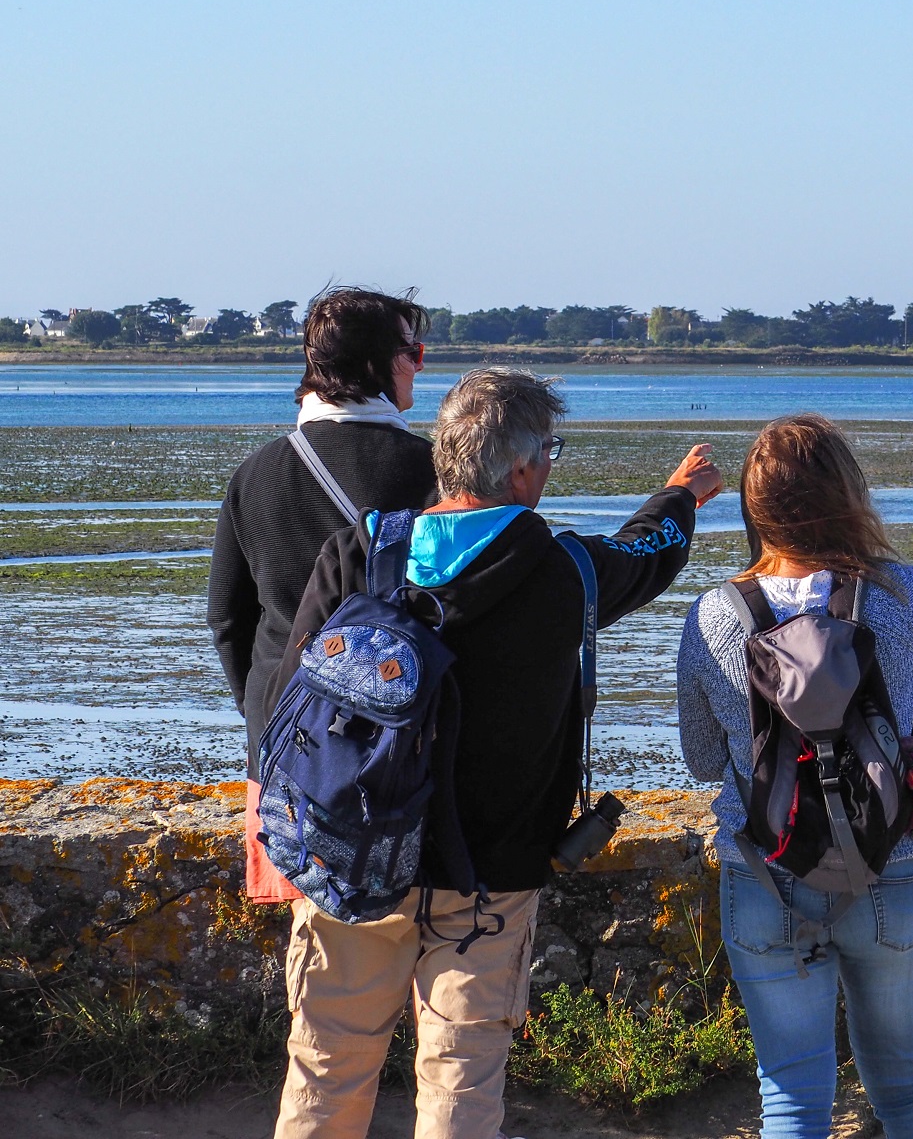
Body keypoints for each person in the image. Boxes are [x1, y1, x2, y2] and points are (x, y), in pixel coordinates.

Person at [262, 366, 723, 1139]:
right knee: (461, 1077)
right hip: (490, 877)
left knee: (325, 1064)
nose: (551, 463)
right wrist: (681, 494)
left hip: (352, 855)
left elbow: (289, 694)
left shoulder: (363, 548)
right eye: (551, 449)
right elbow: (646, 553)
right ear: (520, 467)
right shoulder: (564, 571)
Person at [676, 413, 913, 1139]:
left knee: (792, 1099)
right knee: (906, 1087)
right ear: (849, 495)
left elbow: (702, 759)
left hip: (764, 873)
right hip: (896, 864)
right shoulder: (893, 593)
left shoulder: (712, 617)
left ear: (752, 510)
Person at [208, 286, 438, 903]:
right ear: (378, 365)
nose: (421, 364)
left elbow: (228, 619)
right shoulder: (432, 469)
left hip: (288, 741)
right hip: (400, 747)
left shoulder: (253, 473)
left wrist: (271, 713)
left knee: (314, 951)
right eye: (414, 352)